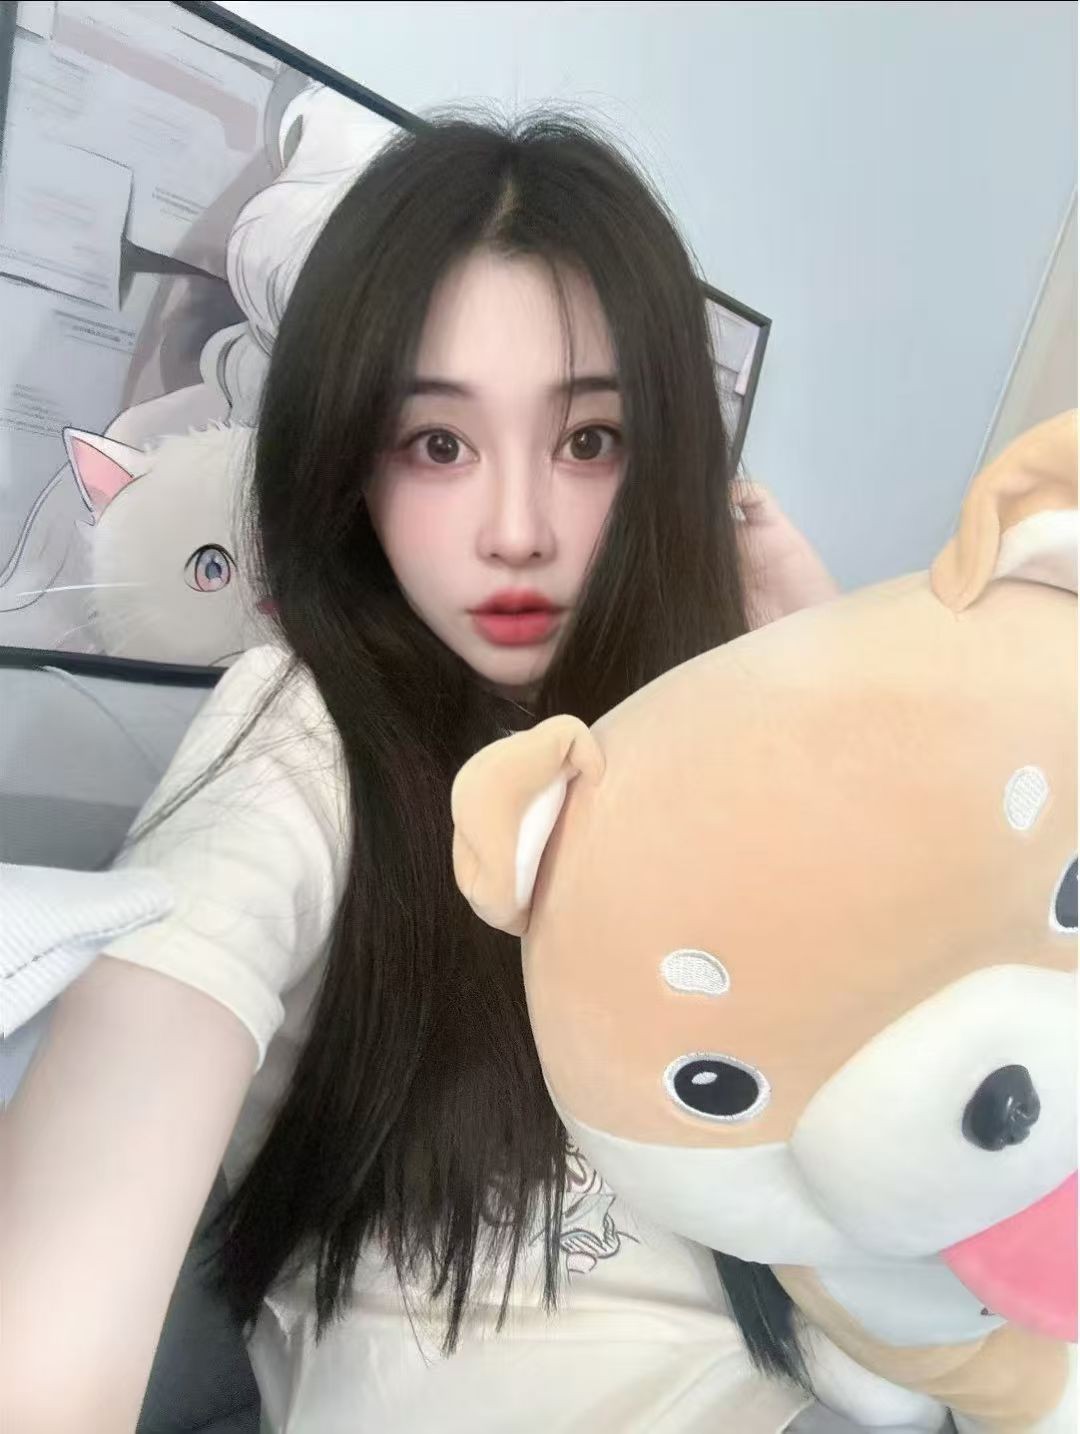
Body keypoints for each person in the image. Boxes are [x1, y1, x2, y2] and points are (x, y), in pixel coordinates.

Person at [3, 113, 838, 1433]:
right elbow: (46, 1342)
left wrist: (820, 685)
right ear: (351, 466)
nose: (517, 531)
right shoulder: (302, 741)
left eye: (588, 441)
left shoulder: (697, 749)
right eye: (439, 444)